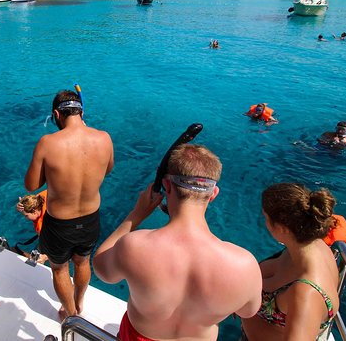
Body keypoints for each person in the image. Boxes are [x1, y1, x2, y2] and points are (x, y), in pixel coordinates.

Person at [94, 145, 262, 341]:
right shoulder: (244, 265)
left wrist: (135, 216)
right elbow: (248, 311)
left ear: (166, 186)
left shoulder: (134, 246)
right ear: (214, 193)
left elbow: (102, 270)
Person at [24, 89, 114, 319]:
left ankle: (70, 313)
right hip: (91, 219)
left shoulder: (47, 143)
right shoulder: (104, 137)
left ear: (57, 113)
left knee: (60, 268)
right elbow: (108, 168)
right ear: (81, 112)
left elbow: (31, 185)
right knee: (83, 262)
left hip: (59, 224)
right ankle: (79, 302)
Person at [241, 183, 340, 341]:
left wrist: (243, 306)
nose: (265, 224)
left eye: (266, 218)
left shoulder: (306, 293)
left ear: (282, 228)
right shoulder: (310, 247)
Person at [15, 190, 49, 264]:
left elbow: (62, 245)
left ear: (34, 211)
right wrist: (20, 206)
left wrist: (45, 257)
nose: (25, 218)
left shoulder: (45, 225)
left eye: (26, 216)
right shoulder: (38, 200)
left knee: (39, 259)